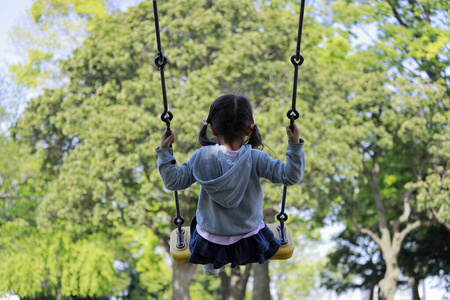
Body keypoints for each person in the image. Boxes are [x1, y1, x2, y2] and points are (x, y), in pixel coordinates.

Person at [156, 94, 305, 275]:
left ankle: (210, 260)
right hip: (249, 240)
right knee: (256, 226)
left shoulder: (202, 157)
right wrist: (294, 145)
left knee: (199, 224)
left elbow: (173, 182)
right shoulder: (255, 158)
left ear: (212, 129)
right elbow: (290, 176)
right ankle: (227, 256)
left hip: (210, 240)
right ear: (249, 130)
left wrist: (165, 152)